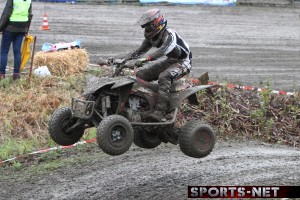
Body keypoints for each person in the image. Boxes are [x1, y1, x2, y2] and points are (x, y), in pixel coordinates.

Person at [123, 8, 192, 122]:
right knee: (140, 74)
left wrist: (146, 59)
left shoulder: (169, 35)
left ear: (157, 23)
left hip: (183, 61)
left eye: (148, 26)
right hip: (170, 61)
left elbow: (163, 50)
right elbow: (138, 52)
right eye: (145, 27)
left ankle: (160, 112)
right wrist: (120, 60)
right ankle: (144, 105)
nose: (147, 29)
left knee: (164, 77)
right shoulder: (152, 37)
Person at [0, 0, 32, 79]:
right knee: (17, 51)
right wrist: (26, 30)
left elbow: (6, 14)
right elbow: (29, 15)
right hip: (22, 28)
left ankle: (1, 74)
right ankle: (16, 73)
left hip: (10, 27)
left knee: (4, 52)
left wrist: (0, 28)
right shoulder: (29, 0)